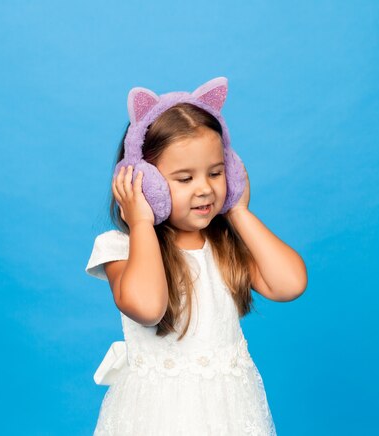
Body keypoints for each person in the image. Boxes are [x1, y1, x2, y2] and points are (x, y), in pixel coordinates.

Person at [85, 77, 307, 435]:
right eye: (184, 178)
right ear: (145, 183)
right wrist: (141, 223)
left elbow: (291, 283)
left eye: (217, 173)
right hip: (155, 418)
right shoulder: (120, 248)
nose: (205, 188)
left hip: (229, 415)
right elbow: (148, 306)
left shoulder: (225, 244)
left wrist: (238, 211)